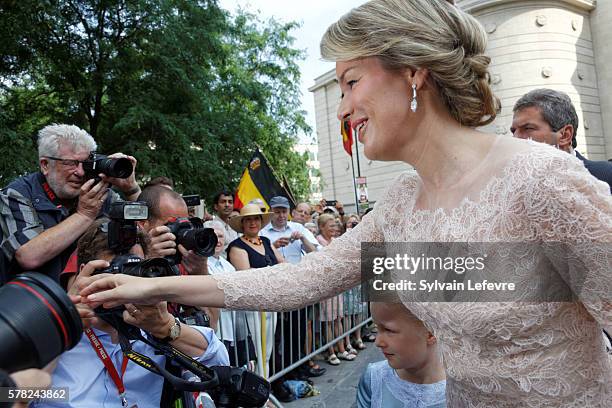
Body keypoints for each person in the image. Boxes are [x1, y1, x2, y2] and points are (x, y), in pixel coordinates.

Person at [81, 1, 611, 406]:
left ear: (414, 72)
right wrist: (151, 284)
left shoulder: (541, 179)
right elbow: (299, 280)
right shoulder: (403, 202)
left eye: (352, 81)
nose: (344, 107)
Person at [37, 218, 228, 408]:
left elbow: (219, 363)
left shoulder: (152, 327)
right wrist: (59, 331)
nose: (126, 283)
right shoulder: (51, 330)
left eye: (134, 271)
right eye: (117, 270)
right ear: (85, 273)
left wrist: (165, 327)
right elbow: (8, 395)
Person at [0, 124, 140, 282]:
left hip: (91, 299)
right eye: (70, 163)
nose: (80, 172)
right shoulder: (19, 193)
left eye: (85, 163)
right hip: (34, 301)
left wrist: (131, 190)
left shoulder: (97, 193)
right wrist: (84, 215)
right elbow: (28, 256)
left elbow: (144, 230)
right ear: (45, 165)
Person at [511, 88, 612, 192]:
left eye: (528, 128)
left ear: (565, 135)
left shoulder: (605, 175)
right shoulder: (513, 187)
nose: (515, 138)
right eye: (513, 131)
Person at [226, 204, 282, 379]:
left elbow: (283, 263)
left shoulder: (265, 241)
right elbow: (247, 277)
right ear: (242, 223)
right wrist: (274, 274)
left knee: (267, 352)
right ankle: (259, 396)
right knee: (256, 352)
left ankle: (264, 390)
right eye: (248, 219)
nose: (252, 223)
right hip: (252, 308)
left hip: (270, 304)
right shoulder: (236, 247)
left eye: (256, 219)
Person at [357, 302, 446, 408]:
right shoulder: (373, 379)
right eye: (376, 328)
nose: (378, 342)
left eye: (388, 330)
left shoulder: (463, 392)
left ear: (430, 332)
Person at [204, 220, 253, 368]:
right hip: (215, 327)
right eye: (213, 236)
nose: (217, 241)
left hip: (231, 327)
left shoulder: (227, 265)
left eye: (220, 236)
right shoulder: (202, 264)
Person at [316, 213, 355, 365]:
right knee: (329, 321)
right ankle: (331, 352)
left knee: (338, 319)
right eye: (330, 225)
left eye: (335, 225)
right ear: (322, 227)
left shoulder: (334, 240)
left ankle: (341, 348)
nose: (334, 228)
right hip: (326, 287)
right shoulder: (319, 241)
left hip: (336, 286)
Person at [211, 189, 239, 256]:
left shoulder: (235, 227)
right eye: (223, 202)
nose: (227, 205)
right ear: (216, 206)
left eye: (230, 202)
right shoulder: (210, 226)